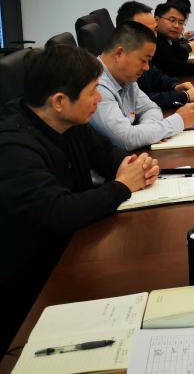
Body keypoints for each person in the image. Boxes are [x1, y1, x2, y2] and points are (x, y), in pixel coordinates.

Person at [0, 46, 160, 352]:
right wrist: (122, 186)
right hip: (32, 287)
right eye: (92, 92)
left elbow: (104, 153)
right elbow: (58, 212)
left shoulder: (68, 122)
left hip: (76, 247)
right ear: (59, 101)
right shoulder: (13, 147)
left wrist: (133, 165)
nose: (99, 99)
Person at [91, 22, 194, 150]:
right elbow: (126, 139)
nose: (146, 68)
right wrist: (178, 121)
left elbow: (151, 108)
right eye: (143, 60)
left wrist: (149, 133)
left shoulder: (125, 77)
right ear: (119, 53)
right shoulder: (95, 86)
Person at [115, 1, 194, 108]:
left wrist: (174, 85)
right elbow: (140, 100)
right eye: (147, 31)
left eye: (154, 30)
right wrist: (183, 96)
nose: (154, 36)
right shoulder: (123, 62)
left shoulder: (143, 53)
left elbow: (156, 76)